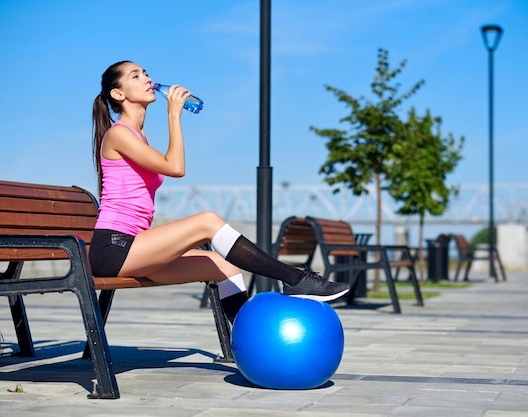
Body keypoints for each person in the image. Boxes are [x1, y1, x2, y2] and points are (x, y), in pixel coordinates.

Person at [90, 60, 349, 323]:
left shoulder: (139, 137)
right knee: (207, 221)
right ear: (118, 94)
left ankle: (247, 341)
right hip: (114, 249)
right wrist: (174, 115)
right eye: (135, 76)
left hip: (138, 248)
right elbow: (176, 167)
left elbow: (171, 166)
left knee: (224, 265)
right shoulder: (119, 134)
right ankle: (294, 278)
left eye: (146, 73)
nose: (146, 79)